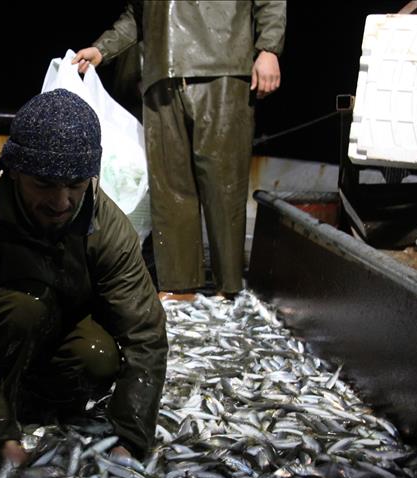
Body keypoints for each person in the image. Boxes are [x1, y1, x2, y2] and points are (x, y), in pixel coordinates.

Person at [0, 89, 168, 467]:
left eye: (75, 184)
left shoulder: (107, 225)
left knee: (98, 357)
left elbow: (145, 335)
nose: (61, 201)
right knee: (24, 307)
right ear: (15, 170)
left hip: (58, 337)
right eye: (44, 183)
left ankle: (42, 403)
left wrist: (131, 440)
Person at [74, 1, 286, 299]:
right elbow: (137, 15)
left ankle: (229, 286)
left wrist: (268, 49)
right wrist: (102, 49)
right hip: (162, 75)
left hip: (221, 67)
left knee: (223, 183)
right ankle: (179, 284)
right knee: (169, 186)